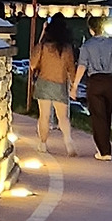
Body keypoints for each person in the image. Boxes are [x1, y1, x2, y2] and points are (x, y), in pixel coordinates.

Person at [72, 21, 112, 160]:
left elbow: (82, 66)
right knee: (106, 115)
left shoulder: (87, 45)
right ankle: (106, 148)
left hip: (94, 81)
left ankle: (104, 151)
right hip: (109, 81)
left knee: (97, 117)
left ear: (91, 30)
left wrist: (75, 86)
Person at [29, 14, 77, 155]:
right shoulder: (67, 48)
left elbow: (32, 64)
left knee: (44, 116)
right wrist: (74, 86)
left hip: (44, 83)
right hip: (60, 84)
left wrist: (42, 33)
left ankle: (43, 144)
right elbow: (71, 69)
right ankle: (68, 140)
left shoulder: (43, 47)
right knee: (63, 117)